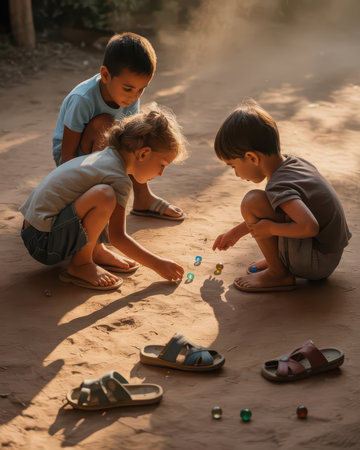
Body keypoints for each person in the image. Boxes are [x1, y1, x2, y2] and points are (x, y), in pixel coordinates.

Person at [20, 106, 187, 290]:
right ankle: (81, 264)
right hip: (43, 242)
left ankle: (95, 251)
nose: (161, 173)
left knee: (103, 195)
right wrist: (158, 264)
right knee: (105, 196)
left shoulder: (107, 156)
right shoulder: (118, 178)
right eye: (162, 165)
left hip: (34, 231)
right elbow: (118, 236)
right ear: (144, 153)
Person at [212, 99, 351, 292]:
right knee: (265, 208)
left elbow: (309, 227)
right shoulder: (293, 163)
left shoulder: (278, 185)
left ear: (252, 158)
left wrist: (270, 228)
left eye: (233, 166)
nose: (236, 174)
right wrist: (236, 233)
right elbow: (281, 214)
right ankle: (279, 261)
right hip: (328, 254)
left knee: (252, 202)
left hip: (316, 261)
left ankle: (279, 273)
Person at [52, 32, 185, 227]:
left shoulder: (131, 97)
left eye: (142, 89)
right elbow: (66, 153)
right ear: (106, 75)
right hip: (72, 160)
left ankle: (143, 198)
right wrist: (72, 194)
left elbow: (130, 140)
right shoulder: (82, 100)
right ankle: (97, 197)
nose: (134, 96)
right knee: (105, 124)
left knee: (138, 139)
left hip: (107, 151)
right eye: (129, 89)